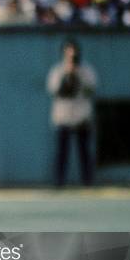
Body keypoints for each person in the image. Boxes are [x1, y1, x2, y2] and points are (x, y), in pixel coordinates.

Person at [47, 38, 97, 187]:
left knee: (84, 152)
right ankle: (59, 182)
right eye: (67, 54)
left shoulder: (86, 70)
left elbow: (91, 89)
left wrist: (78, 75)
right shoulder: (58, 70)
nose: (71, 57)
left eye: (73, 54)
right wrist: (66, 75)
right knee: (62, 152)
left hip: (82, 116)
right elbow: (54, 90)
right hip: (63, 117)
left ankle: (87, 182)